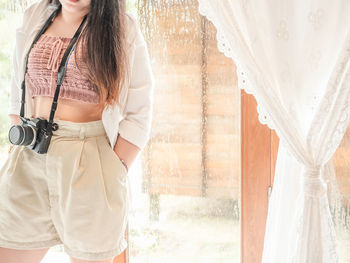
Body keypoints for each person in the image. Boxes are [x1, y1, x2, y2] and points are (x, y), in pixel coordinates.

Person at [0, 0, 154, 262]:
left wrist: (113, 168)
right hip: (30, 155)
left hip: (89, 161)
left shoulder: (123, 28)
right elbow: (18, 90)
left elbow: (139, 112)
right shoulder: (34, 15)